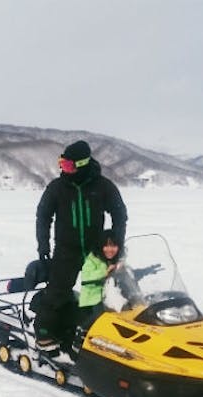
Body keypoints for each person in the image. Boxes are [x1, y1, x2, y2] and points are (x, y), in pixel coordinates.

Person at [35, 140, 128, 352]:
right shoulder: (57, 188)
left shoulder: (103, 186)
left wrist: (115, 245)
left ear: (82, 164)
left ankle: (93, 333)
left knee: (100, 292)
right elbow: (43, 217)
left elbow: (120, 215)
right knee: (57, 292)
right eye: (62, 164)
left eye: (68, 165)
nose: (63, 169)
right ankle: (44, 335)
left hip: (96, 252)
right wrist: (43, 247)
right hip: (66, 250)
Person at [71, 230, 121, 357]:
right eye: (107, 245)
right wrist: (105, 272)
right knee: (101, 315)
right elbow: (87, 278)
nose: (110, 249)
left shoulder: (115, 261)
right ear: (100, 246)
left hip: (109, 297)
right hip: (92, 299)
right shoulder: (92, 260)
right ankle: (81, 335)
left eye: (113, 246)